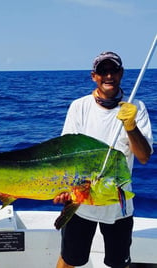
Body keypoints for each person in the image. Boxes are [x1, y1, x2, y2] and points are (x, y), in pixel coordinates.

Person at [54, 51, 153, 268]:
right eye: (102, 71)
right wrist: (63, 188)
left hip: (119, 206)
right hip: (82, 203)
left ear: (122, 73)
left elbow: (144, 157)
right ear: (94, 76)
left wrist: (131, 125)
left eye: (113, 70)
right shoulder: (79, 106)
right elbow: (66, 157)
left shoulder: (136, 107)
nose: (109, 75)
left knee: (119, 263)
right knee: (70, 260)